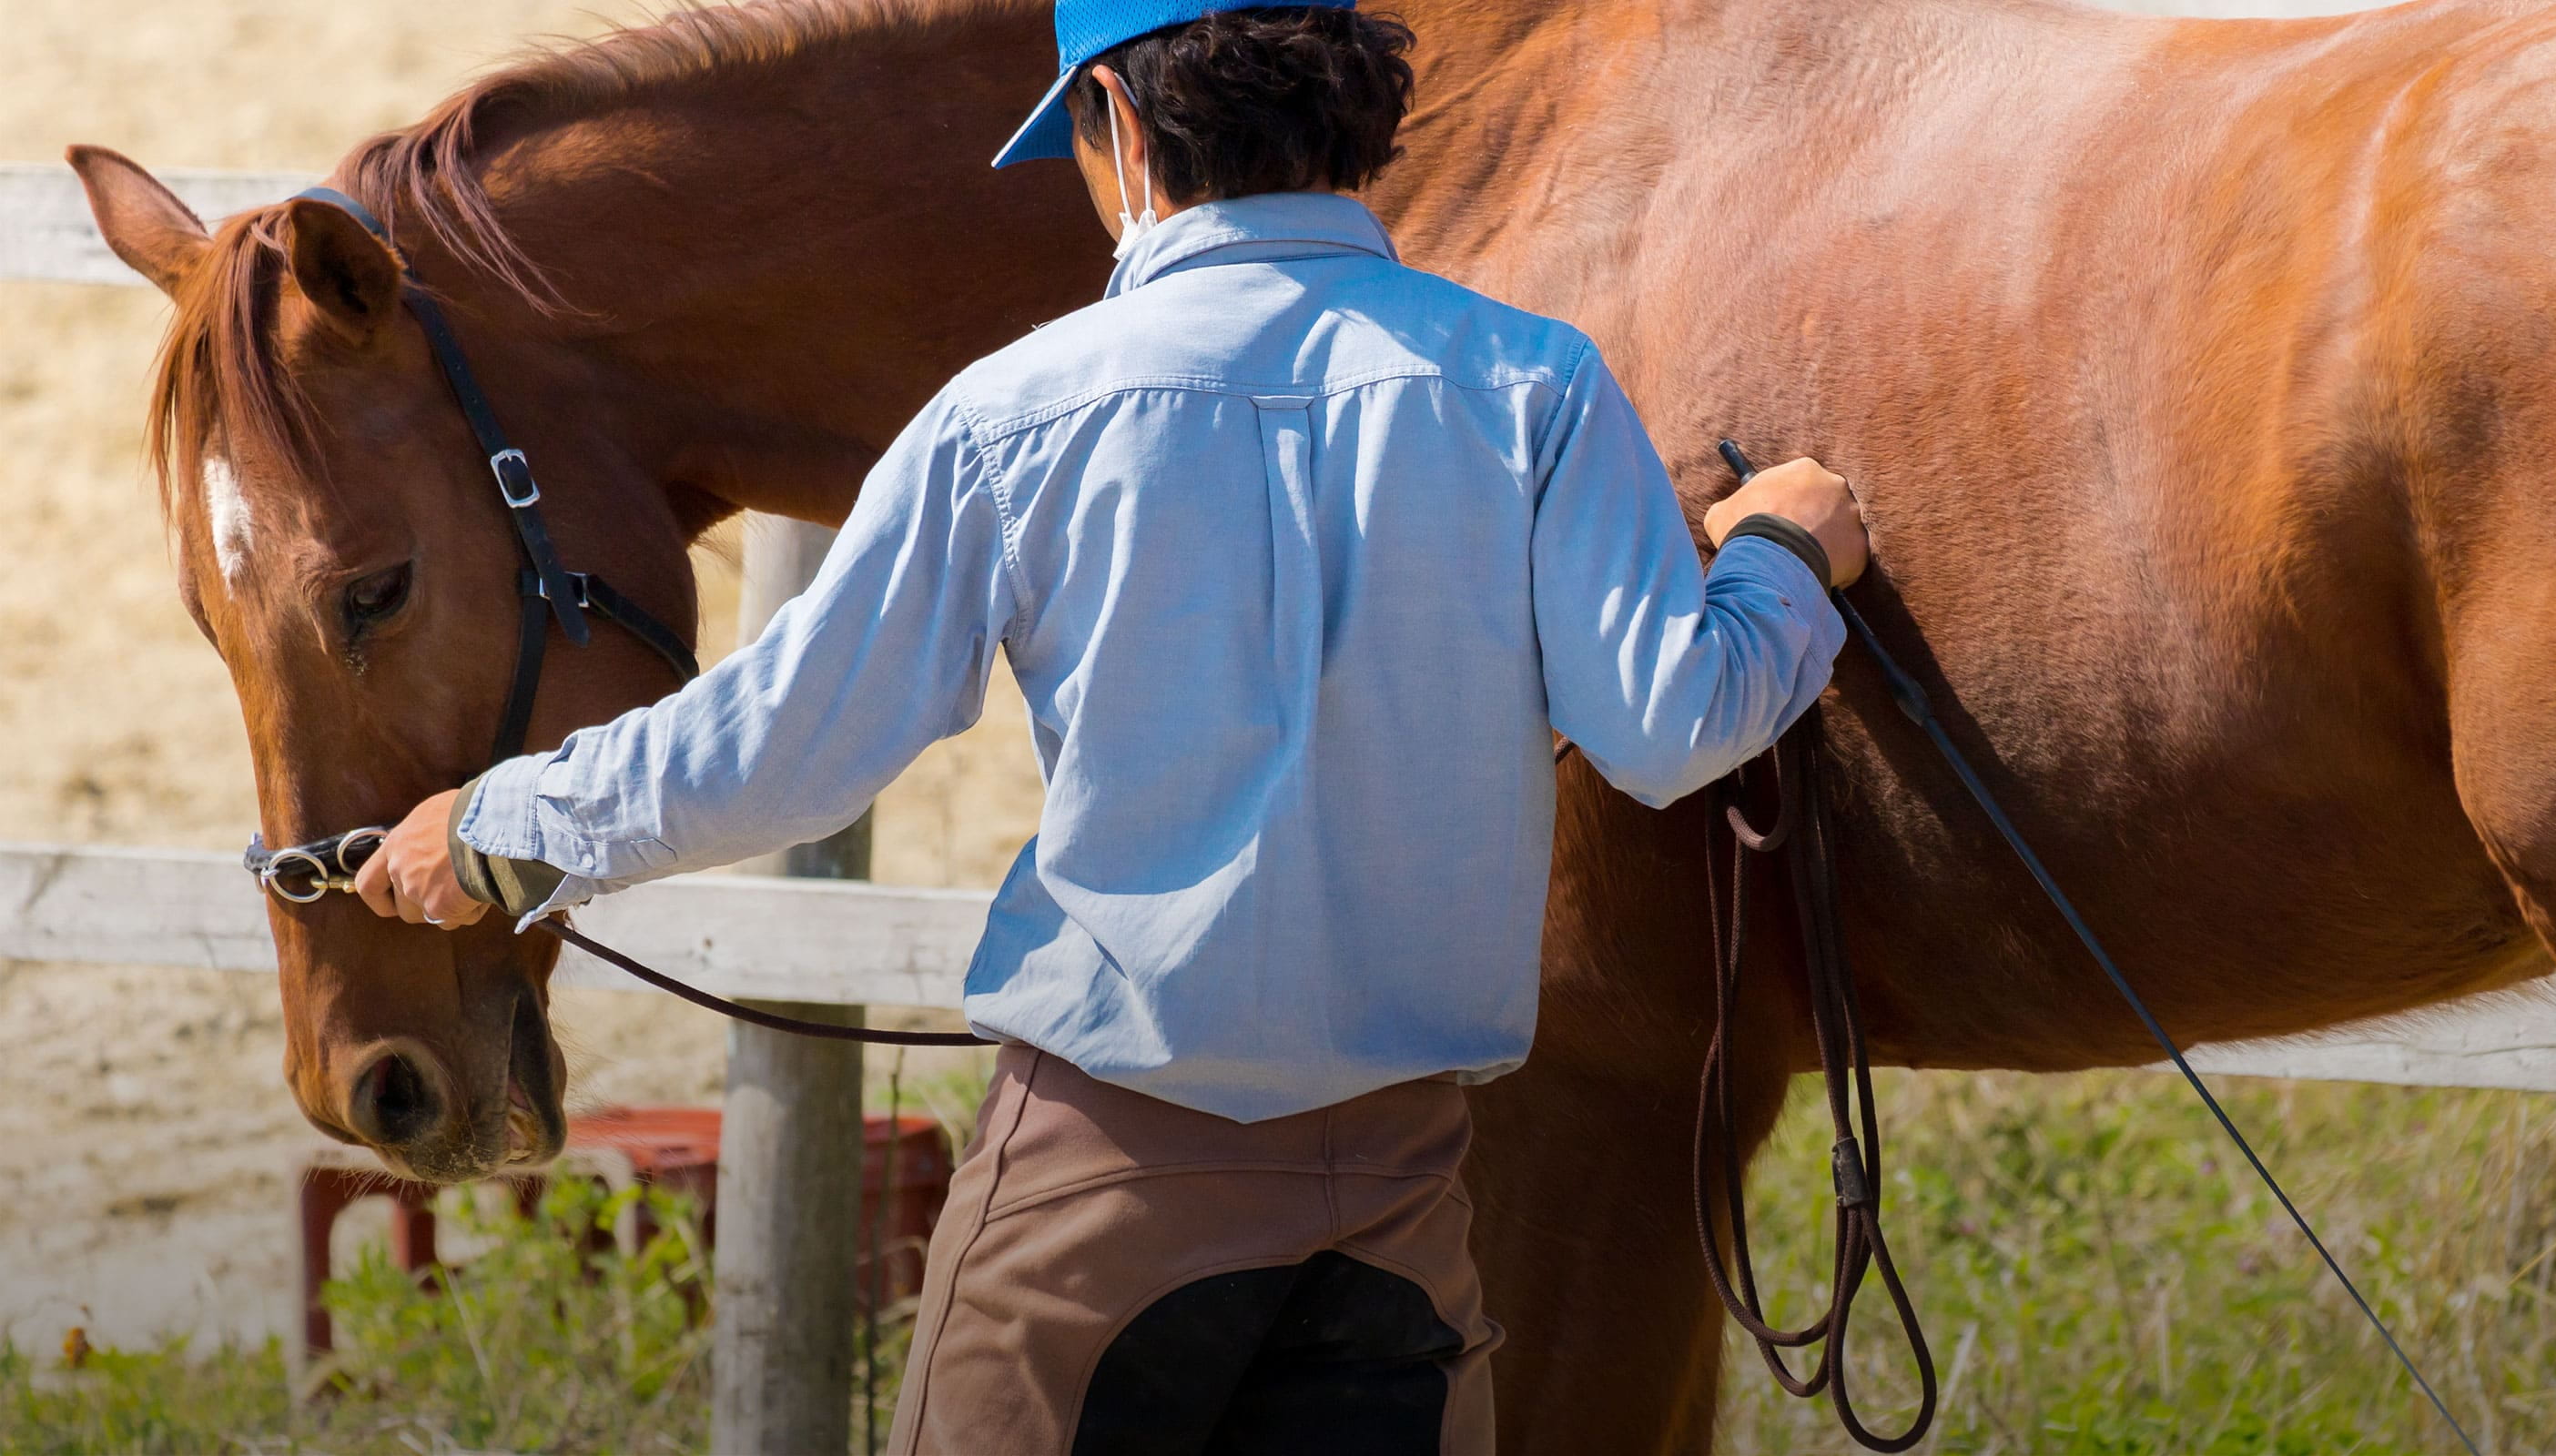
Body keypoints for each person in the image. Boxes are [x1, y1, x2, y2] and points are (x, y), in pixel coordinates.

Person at [350, 1, 1870, 1449]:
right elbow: (1676, 724)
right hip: (1405, 1204)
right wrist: (1787, 556)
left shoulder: (1013, 414)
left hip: (1105, 1197)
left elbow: (784, 745)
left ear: (1121, 124)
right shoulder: (1536, 389)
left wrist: (498, 830)